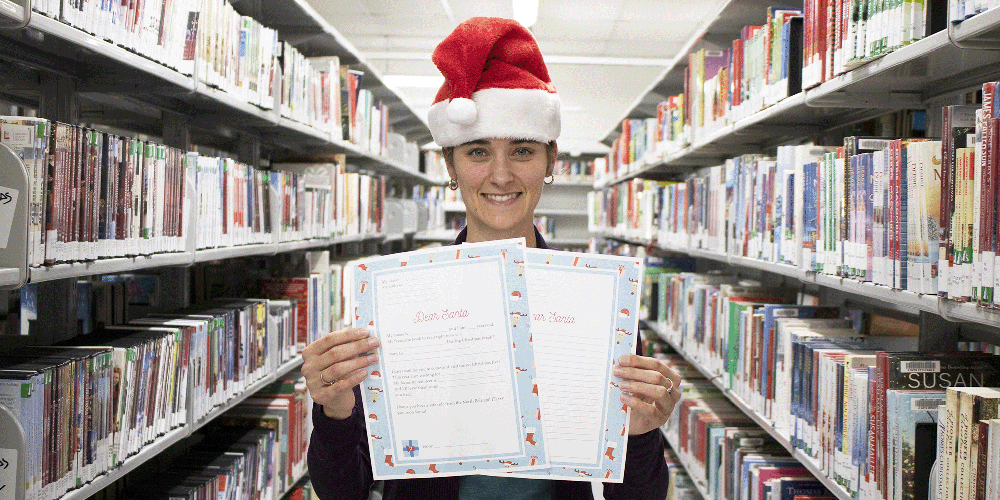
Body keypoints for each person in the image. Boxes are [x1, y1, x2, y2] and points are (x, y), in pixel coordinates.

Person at [303, 17, 682, 500]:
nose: (501, 175)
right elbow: (344, 491)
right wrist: (334, 411)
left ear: (550, 161)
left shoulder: (603, 308)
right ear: (450, 166)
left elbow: (641, 497)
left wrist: (642, 434)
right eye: (478, 151)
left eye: (522, 151)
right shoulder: (397, 303)